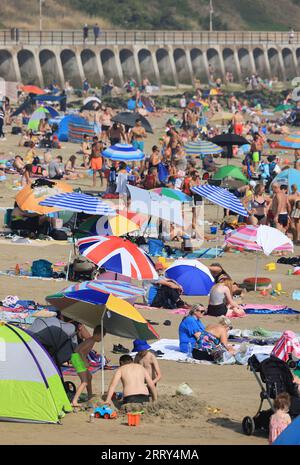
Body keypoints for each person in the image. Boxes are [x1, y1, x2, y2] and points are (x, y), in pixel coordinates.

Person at [70, 325, 105, 408]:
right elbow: (81, 352)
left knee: (89, 376)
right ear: (98, 334)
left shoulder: (91, 340)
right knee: (84, 381)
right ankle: (74, 401)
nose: (102, 339)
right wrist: (85, 362)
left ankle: (90, 396)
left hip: (77, 357)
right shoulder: (91, 341)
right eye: (102, 336)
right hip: (77, 358)